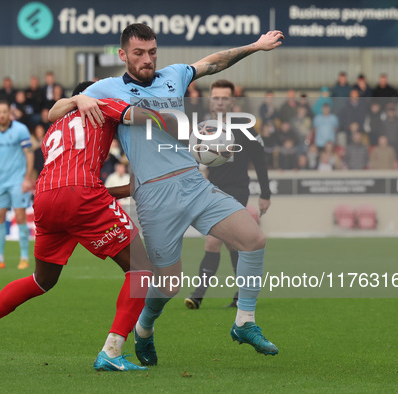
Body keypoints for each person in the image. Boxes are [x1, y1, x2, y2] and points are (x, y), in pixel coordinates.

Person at [55, 24, 283, 364]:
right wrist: (78, 97)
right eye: (139, 53)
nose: (147, 59)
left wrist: (256, 45)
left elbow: (214, 62)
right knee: (168, 285)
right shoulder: (106, 88)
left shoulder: (174, 75)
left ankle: (244, 321)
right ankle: (144, 330)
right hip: (153, 197)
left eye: (152, 52)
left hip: (194, 183)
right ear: (123, 55)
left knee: (254, 240)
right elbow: (54, 112)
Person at [0, 82, 156, 372]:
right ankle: (112, 350)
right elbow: (142, 117)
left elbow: (71, 171)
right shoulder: (103, 105)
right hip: (80, 195)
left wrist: (125, 189)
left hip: (45, 197)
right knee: (141, 269)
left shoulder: (55, 129)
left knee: (41, 280)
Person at [184, 79, 271, 310]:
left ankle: (198, 295)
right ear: (210, 100)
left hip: (237, 190)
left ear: (232, 101)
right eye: (216, 97)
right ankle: (242, 293)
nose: (220, 102)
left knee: (213, 241)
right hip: (212, 190)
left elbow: (260, 160)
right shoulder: (204, 127)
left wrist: (265, 193)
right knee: (233, 244)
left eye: (224, 98)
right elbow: (196, 159)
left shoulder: (244, 127)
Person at [0, 101, 34, 270]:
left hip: (18, 180)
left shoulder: (20, 129)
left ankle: (24, 257)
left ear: (9, 113)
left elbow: (29, 154)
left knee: (19, 217)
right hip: (1, 182)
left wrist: (27, 178)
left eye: (5, 111)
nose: (2, 115)